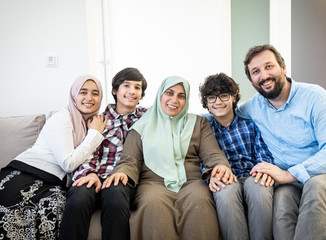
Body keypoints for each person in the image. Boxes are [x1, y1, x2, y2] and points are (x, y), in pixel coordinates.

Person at [237, 44, 326, 240]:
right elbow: (222, 114)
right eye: (256, 71)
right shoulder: (254, 106)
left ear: (283, 68)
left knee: (316, 185)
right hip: (292, 183)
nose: (264, 75)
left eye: (269, 66)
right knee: (282, 199)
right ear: (252, 81)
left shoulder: (315, 97)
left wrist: (289, 174)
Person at [102, 76, 236, 240]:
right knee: (152, 203)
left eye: (181, 96)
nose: (175, 100)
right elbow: (130, 160)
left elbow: (212, 153)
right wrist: (123, 172)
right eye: (170, 93)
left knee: (200, 200)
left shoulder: (198, 123)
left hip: (191, 181)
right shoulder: (141, 126)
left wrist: (220, 166)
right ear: (160, 95)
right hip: (153, 183)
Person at [0, 75, 107, 240]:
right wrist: (94, 134)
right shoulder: (63, 118)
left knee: (54, 206)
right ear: (74, 96)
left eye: (95, 93)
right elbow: (69, 163)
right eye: (83, 92)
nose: (89, 98)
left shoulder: (92, 123)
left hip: (53, 184)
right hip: (27, 175)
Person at [59, 67, 148, 240]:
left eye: (137, 88)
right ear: (115, 90)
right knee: (79, 197)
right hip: (96, 175)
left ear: (142, 95)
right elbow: (89, 151)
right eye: (126, 86)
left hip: (123, 179)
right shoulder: (98, 120)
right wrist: (90, 173)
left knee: (114, 195)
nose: (132, 91)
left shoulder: (148, 118)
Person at [199, 72, 274, 240]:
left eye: (224, 96)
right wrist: (209, 174)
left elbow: (262, 151)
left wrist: (264, 169)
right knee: (225, 191)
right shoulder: (204, 128)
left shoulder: (249, 123)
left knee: (259, 188)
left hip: (252, 173)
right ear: (206, 102)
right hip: (226, 177)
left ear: (233, 97)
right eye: (211, 98)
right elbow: (202, 156)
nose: (218, 102)